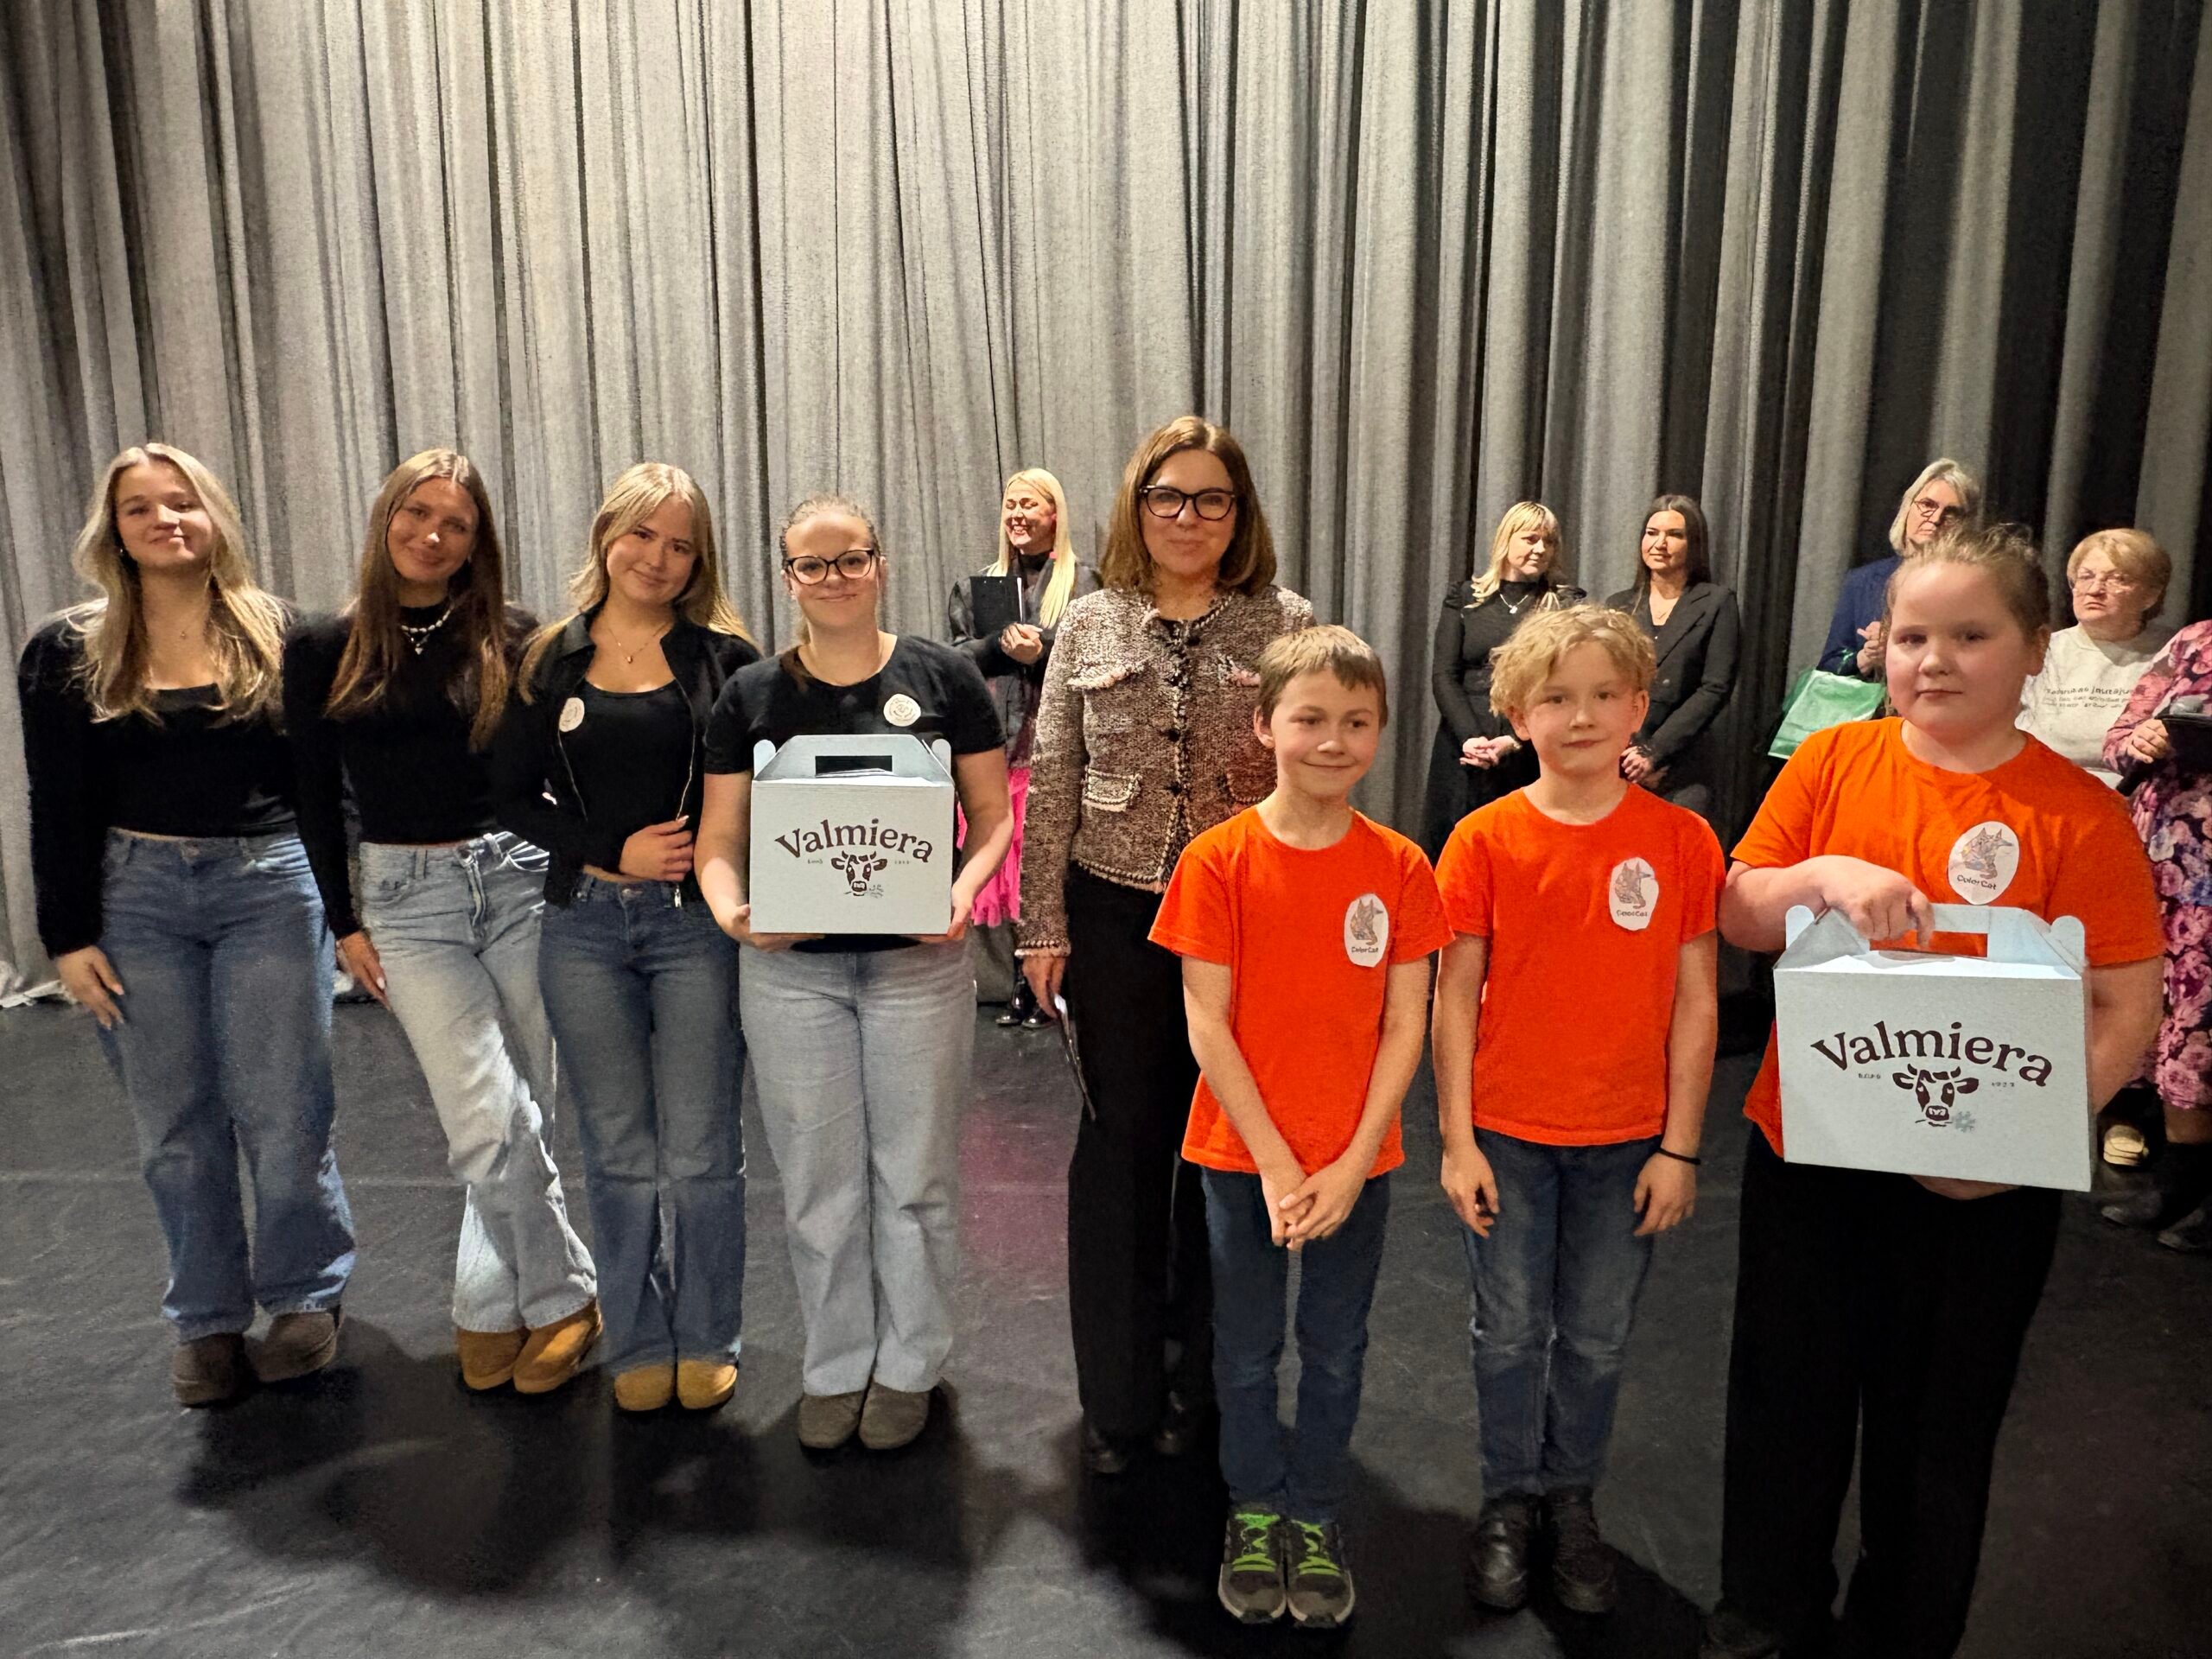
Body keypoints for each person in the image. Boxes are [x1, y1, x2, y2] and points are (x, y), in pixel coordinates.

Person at [1703, 524, 2164, 1659]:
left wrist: (2013, 1145)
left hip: (1981, 1192)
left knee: (1939, 1434)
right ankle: (1764, 1614)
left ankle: (1903, 1633)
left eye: (1971, 635)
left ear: (2034, 647)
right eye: (1912, 636)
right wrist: (1821, 874)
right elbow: (1739, 910)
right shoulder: (1831, 763)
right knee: (1786, 1402)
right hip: (1811, 1150)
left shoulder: (2082, 815)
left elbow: (2125, 1010)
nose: (1935, 660)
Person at [17, 442, 354, 1406]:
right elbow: (56, 800)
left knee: (285, 1110)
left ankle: (304, 1295)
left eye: (182, 502)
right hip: (136, 899)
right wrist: (67, 935)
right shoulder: (66, 650)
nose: (165, 520)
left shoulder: (289, 636)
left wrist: (344, 913)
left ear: (214, 517)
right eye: (140, 508)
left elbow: (323, 790)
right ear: (114, 531)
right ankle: (206, 1320)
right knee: (173, 1122)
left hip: (269, 889)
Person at [1016, 415, 1313, 1475]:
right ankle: (1121, 1394)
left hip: (1246, 924)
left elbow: (1311, 776)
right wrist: (1041, 923)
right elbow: (1053, 775)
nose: (1189, 517)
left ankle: (1210, 1380)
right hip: (1115, 918)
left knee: (1225, 1156)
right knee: (1122, 1151)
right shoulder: (1089, 623)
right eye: (1168, 497)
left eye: (1211, 498)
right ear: (1138, 509)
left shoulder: (1285, 623)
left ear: (1240, 514)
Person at [696, 493, 1010, 1452]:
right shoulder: (750, 695)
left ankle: (910, 1364)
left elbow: (993, 818)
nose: (833, 578)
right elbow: (719, 841)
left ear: (880, 562)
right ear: (787, 577)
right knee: (816, 1184)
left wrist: (962, 893)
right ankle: (835, 1366)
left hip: (917, 969)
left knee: (915, 1179)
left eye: (850, 558)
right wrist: (734, 914)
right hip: (792, 976)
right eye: (812, 563)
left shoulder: (945, 677)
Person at [1149, 626, 1449, 1629]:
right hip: (1242, 1160)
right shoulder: (1218, 860)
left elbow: (1405, 1022)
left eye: (1355, 722)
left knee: (1335, 1345)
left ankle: (1314, 1513)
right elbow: (1206, 1022)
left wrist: (1354, 1159)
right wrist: (1278, 1164)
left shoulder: (1400, 867)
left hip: (1355, 1162)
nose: (1331, 740)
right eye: (1310, 718)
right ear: (1263, 726)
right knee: (1242, 1350)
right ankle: (1253, 1508)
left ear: (1380, 732)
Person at [287, 448, 599, 1395]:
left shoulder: (517, 635)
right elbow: (311, 793)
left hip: (518, 880)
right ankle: (565, 1296)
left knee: (527, 1109)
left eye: (454, 524)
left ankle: (488, 1302)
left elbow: (555, 771)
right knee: (483, 1118)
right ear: (387, 519)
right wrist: (343, 920)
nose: (431, 535)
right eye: (416, 514)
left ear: (476, 543)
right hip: (404, 899)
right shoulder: (325, 644)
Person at [1432, 606, 1722, 1617]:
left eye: (1604, 696)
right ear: (1517, 714)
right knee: (1507, 1334)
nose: (1583, 716)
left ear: (1640, 707)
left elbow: (1696, 1002)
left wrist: (1680, 1147)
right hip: (1508, 1134)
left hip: (1629, 1139)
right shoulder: (1481, 839)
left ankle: (1570, 1497)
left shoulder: (1681, 841)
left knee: (1596, 1339)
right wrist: (1456, 1139)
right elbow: (1452, 1000)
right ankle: (1508, 1499)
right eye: (1556, 698)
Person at [493, 462, 759, 1414]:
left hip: (696, 932)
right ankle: (637, 1336)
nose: (658, 558)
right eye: (642, 535)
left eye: (681, 544)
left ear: (699, 561)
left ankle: (708, 1333)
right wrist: (612, 851)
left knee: (701, 1150)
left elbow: (759, 794)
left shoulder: (727, 660)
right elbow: (508, 795)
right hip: (584, 929)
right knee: (615, 1150)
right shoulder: (548, 659)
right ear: (607, 536)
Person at [945, 467, 1099, 1027]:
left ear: (1054, 514)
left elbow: (1099, 655)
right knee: (1007, 878)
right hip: (999, 752)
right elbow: (955, 659)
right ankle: (1021, 984)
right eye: (1011, 504)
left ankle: (1054, 985)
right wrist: (999, 647)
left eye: (1029, 504)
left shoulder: (1084, 583)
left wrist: (1045, 649)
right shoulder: (978, 587)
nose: (1017, 514)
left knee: (1049, 873)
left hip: (1055, 752)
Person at [2098, 619, 2212, 1250]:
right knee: (2173, 1026)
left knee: (2204, 1030)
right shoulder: (2194, 642)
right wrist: (2141, 740)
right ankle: (2180, 1180)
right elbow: (2118, 740)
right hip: (2163, 868)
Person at [1420, 502, 1584, 858]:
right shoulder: (1465, 598)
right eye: (1531, 539)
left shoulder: (1564, 603)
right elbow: (1445, 674)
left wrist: (1514, 739)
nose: (1540, 549)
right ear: (1506, 540)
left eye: (1549, 542)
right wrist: (1470, 738)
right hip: (1464, 742)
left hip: (1530, 745)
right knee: (1453, 850)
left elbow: (1564, 684)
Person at [1604, 494, 1740, 823]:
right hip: (1619, 762)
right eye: (1652, 533)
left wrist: (1654, 752)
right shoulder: (1618, 605)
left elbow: (1715, 688)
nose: (1660, 544)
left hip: (1682, 763)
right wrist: (1628, 751)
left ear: (1694, 544)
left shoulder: (1716, 602)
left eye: (1674, 535)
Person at [2018, 528, 2172, 787]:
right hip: (2036, 785)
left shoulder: (2177, 652)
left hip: (2129, 795)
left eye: (2117, 579)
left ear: (2151, 595)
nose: (2094, 590)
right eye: (2086, 577)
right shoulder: (2039, 649)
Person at [1816, 458, 1981, 679]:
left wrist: (1902, 644)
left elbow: (1979, 662)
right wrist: (1866, 658)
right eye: (1927, 505)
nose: (1936, 519)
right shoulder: (1862, 581)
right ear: (1907, 508)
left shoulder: (1973, 588)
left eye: (1952, 513)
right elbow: (1827, 670)